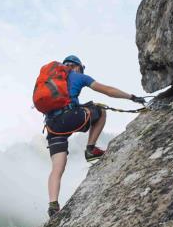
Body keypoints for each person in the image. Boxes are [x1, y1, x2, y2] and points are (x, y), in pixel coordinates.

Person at [45, 55, 146, 217]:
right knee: (100, 110)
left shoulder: (51, 80)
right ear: (78, 66)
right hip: (70, 118)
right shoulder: (78, 76)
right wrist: (132, 97)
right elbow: (107, 90)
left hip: (52, 126)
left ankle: (53, 205)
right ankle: (90, 149)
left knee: (57, 168)